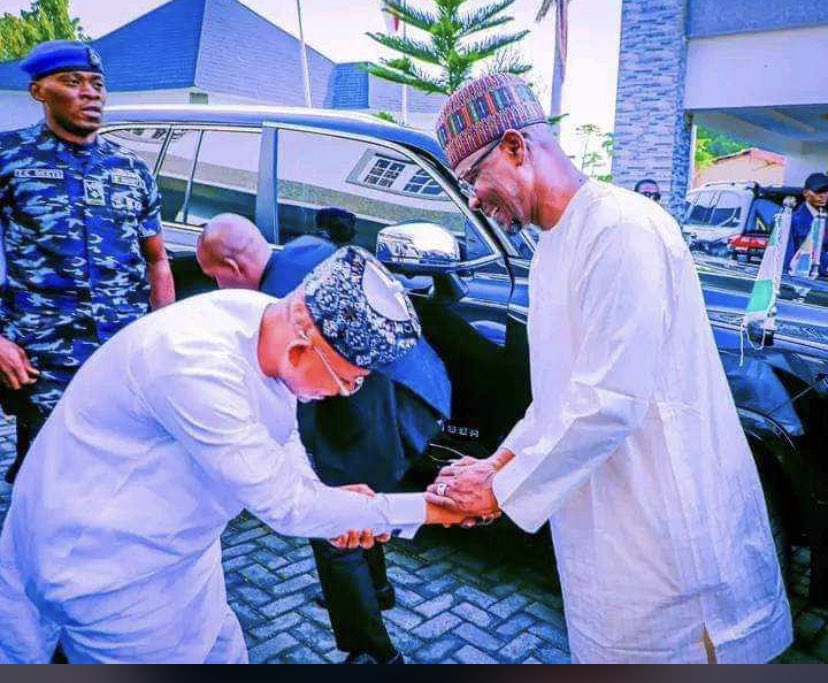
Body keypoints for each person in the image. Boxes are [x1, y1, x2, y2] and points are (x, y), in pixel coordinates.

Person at [426, 74, 792, 664]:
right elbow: (558, 398)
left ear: (517, 148)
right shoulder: (551, 248)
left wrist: (497, 492)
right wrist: (498, 461)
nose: (472, 199)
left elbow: (608, 401)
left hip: (668, 540)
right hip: (605, 533)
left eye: (473, 177)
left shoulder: (622, 229)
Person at [0, 246, 468, 664]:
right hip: (103, 568)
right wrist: (435, 510)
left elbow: (280, 435)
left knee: (224, 650)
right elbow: (287, 507)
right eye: (349, 380)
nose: (348, 391)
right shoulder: (196, 365)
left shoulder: (268, 320)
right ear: (303, 349)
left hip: (177, 556)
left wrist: (329, 499)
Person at [197, 214, 452, 664]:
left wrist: (315, 485)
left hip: (380, 411)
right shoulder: (307, 251)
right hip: (418, 392)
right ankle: (379, 589)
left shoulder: (281, 305)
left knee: (331, 528)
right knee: (362, 497)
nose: (217, 287)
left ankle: (373, 652)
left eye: (213, 276)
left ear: (231, 269)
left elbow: (296, 412)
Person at [0, 40, 175, 483]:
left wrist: (165, 338)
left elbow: (157, 260)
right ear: (39, 92)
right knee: (46, 480)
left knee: (122, 473)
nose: (89, 93)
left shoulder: (130, 169)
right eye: (72, 82)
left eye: (97, 84)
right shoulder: (9, 159)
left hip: (122, 356)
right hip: (43, 359)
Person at [783, 172, 828, 276]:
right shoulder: (792, 220)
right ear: (805, 193)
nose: (823, 195)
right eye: (818, 191)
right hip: (798, 279)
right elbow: (787, 257)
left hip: (822, 281)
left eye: (826, 191)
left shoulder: (824, 219)